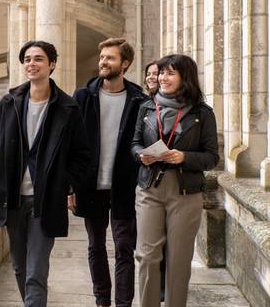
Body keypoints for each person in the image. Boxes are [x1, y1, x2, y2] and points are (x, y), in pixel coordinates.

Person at [0, 40, 92, 307]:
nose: (31, 64)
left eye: (38, 59)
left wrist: (65, 184)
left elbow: (82, 155)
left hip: (46, 202)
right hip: (13, 201)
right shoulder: (9, 102)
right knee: (20, 268)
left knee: (35, 272)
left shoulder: (68, 108)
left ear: (52, 64)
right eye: (27, 59)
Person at [131, 54, 220, 307]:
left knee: (179, 261)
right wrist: (140, 155)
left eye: (170, 73)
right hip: (150, 188)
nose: (162, 77)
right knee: (147, 256)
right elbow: (135, 142)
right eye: (161, 73)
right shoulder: (147, 107)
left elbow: (212, 157)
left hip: (185, 193)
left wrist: (184, 157)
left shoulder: (202, 113)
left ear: (185, 77)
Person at [69, 38, 147, 307]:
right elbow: (70, 144)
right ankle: (102, 301)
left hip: (125, 186)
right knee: (96, 246)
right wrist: (70, 187)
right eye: (102, 57)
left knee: (125, 248)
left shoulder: (140, 100)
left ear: (125, 64)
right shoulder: (82, 97)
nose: (103, 62)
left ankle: (123, 304)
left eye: (110, 58)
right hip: (90, 185)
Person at [142, 60, 165, 301]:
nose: (151, 77)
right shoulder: (144, 104)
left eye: (155, 73)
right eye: (148, 74)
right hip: (145, 177)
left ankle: (161, 285)